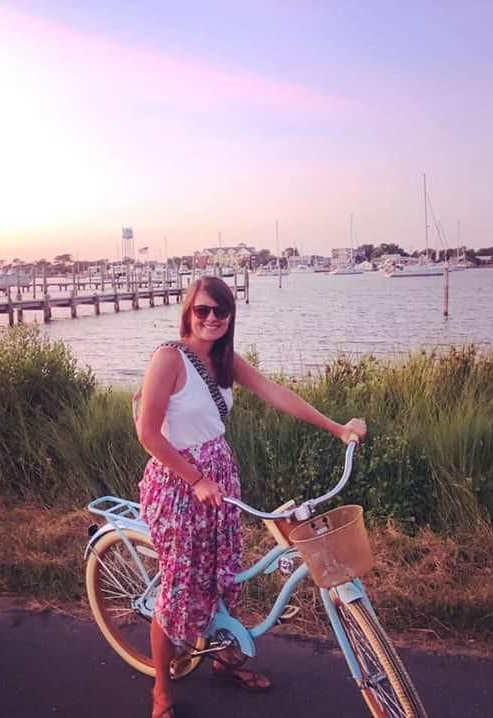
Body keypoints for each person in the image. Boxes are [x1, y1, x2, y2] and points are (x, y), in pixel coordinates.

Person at [135, 276, 367, 718]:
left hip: (220, 477)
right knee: (179, 588)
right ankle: (162, 688)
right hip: (179, 483)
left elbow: (276, 394)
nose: (211, 318)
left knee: (225, 572)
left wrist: (336, 428)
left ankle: (224, 658)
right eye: (203, 310)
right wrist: (195, 478)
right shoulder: (169, 358)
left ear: (230, 316)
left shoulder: (225, 360)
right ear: (188, 312)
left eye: (221, 311)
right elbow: (148, 434)